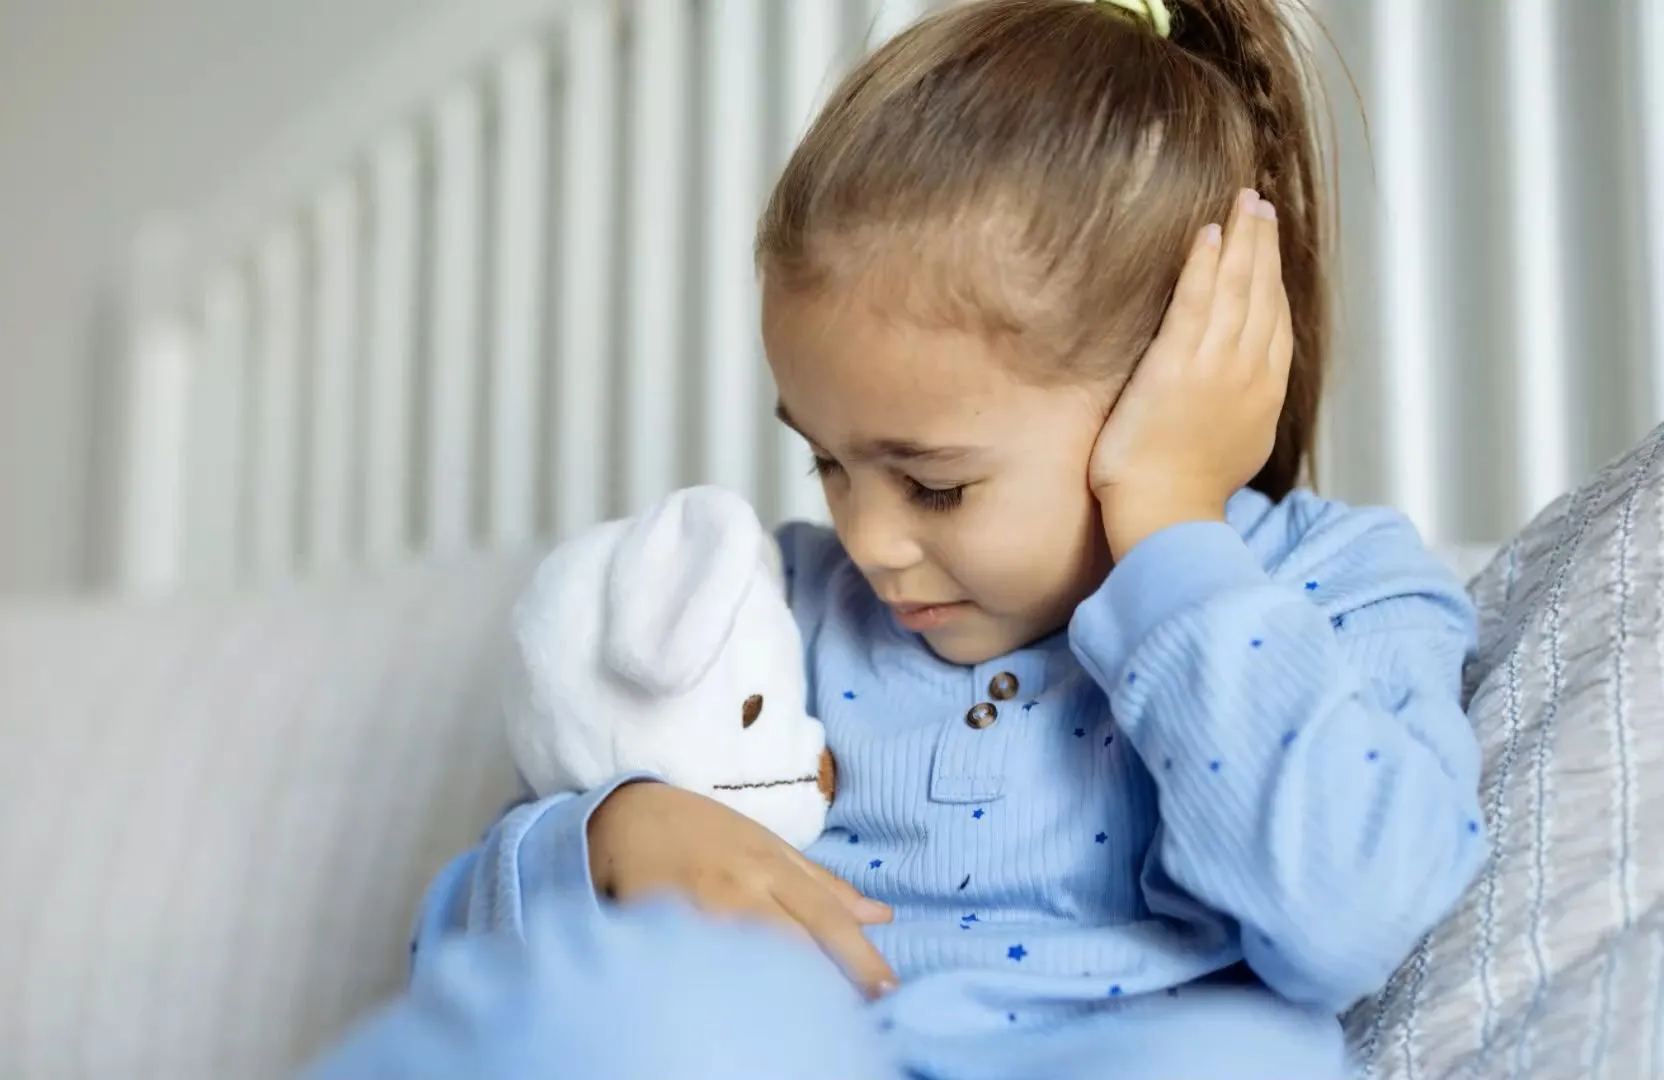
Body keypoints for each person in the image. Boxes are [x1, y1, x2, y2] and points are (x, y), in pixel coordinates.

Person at [301, 1, 1488, 1076]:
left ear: (1164, 390)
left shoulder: (1336, 590)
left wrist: (1174, 528)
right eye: (826, 458)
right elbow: (453, 965)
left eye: (933, 486)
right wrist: (603, 839)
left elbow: (1348, 919)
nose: (864, 538)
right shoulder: (766, 613)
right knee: (649, 1007)